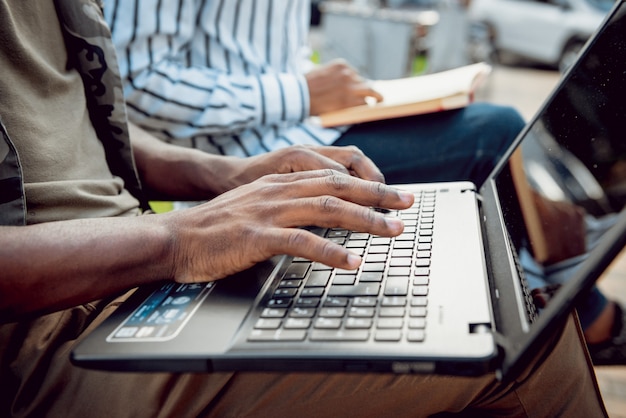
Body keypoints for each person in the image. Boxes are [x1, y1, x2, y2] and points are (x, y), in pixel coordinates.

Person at [0, 1, 608, 417]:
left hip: (135, 248)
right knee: (515, 338)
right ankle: (599, 318)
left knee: (460, 281)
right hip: (47, 327)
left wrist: (223, 175)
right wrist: (178, 238)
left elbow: (87, 117)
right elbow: (148, 83)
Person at [103, 0, 525, 188]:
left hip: (311, 129)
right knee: (496, 131)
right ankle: (560, 303)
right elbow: (134, 81)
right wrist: (300, 93)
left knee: (484, 124)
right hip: (250, 160)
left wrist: (332, 87)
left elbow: (269, 56)